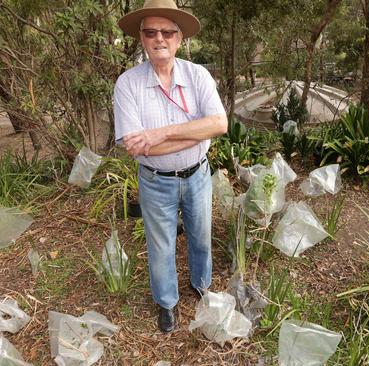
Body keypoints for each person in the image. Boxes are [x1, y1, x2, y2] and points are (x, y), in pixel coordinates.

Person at [114, 0, 227, 333]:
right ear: (142, 38)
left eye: (167, 32)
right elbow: (133, 145)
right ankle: (167, 303)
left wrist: (158, 135)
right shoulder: (128, 84)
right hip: (154, 180)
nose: (159, 38)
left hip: (198, 176)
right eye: (151, 32)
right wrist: (195, 131)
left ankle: (201, 284)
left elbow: (219, 124)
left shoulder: (198, 75)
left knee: (201, 237)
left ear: (179, 38)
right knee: (161, 246)